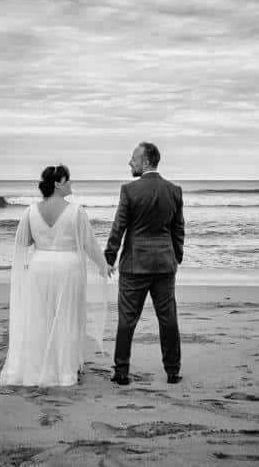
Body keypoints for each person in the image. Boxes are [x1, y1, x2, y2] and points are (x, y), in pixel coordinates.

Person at [0, 164, 110, 387]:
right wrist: (103, 265)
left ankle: (38, 367)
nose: (71, 183)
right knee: (67, 318)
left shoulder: (31, 211)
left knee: (41, 318)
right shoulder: (76, 211)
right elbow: (88, 243)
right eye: (68, 180)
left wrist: (43, 238)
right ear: (58, 184)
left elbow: (24, 241)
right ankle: (64, 370)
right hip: (68, 268)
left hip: (39, 266)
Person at [104, 142, 184, 385]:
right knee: (167, 318)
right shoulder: (174, 190)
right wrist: (176, 256)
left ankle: (121, 371)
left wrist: (109, 257)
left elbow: (119, 226)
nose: (130, 162)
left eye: (134, 158)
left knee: (127, 319)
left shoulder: (129, 190)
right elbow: (178, 229)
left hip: (134, 265)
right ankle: (173, 371)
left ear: (146, 161)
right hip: (164, 264)